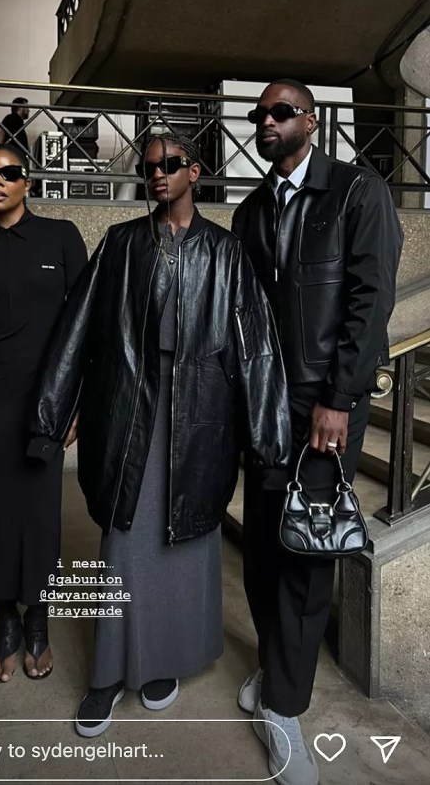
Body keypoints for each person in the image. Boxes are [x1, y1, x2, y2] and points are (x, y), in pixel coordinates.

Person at [28, 134, 290, 735]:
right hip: (130, 409)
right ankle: (107, 676)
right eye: (149, 169)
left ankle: (163, 663)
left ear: (194, 171)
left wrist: (269, 438)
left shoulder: (225, 251)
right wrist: (51, 414)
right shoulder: (121, 244)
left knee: (191, 537)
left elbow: (255, 351)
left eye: (170, 165)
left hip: (203, 414)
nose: (158, 176)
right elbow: (77, 330)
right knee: (125, 540)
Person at [232, 79, 403, 785]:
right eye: (257, 115)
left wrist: (338, 398)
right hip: (263, 401)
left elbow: (370, 302)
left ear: (308, 120)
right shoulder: (250, 211)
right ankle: (274, 673)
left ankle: (282, 706)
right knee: (266, 545)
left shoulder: (356, 192)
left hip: (323, 404)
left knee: (306, 555)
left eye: (278, 112)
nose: (264, 122)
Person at [0, 144, 88, 684]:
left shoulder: (61, 236)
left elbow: (83, 331)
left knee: (39, 513)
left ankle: (38, 621)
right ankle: (5, 621)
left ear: (27, 182)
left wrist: (75, 402)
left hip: (44, 404)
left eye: (8, 173)